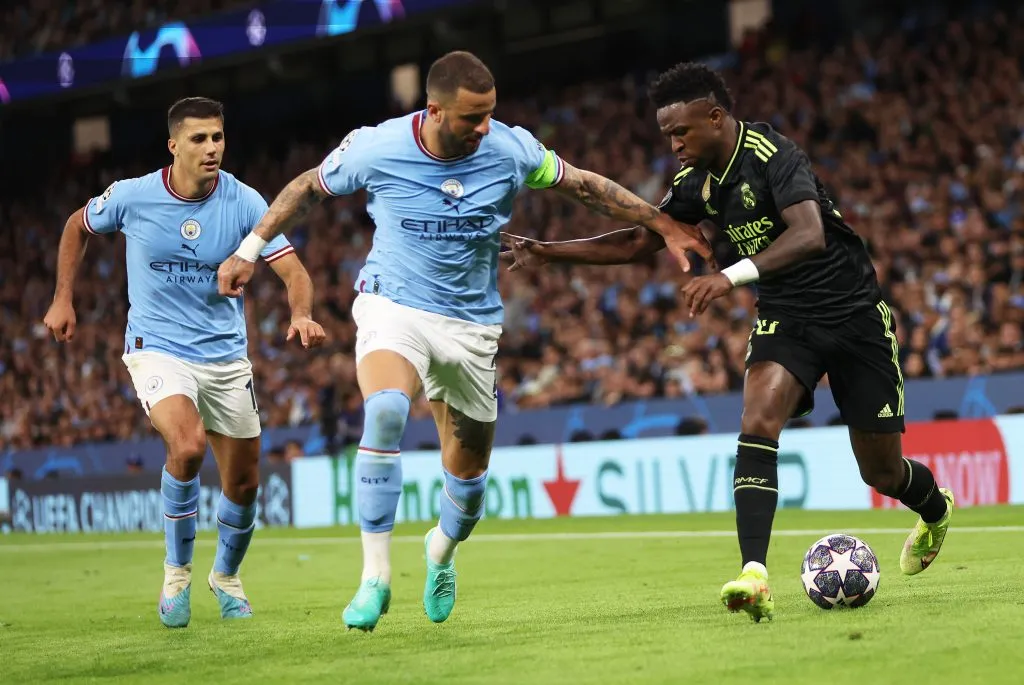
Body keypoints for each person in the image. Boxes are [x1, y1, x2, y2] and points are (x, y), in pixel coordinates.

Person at [217, 50, 712, 632]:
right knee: (384, 412)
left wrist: (663, 223)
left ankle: (440, 552)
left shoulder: (510, 148)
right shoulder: (377, 146)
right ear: (434, 110)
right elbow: (306, 188)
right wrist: (248, 249)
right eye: (472, 118)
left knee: (469, 485)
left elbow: (585, 187)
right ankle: (374, 578)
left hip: (472, 325)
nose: (484, 128)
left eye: (490, 115)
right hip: (392, 303)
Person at [500, 62, 954, 623]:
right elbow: (642, 241)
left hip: (855, 316)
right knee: (758, 421)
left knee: (880, 473)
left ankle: (935, 510)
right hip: (787, 317)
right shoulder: (696, 184)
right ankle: (754, 574)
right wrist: (549, 251)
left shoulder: (771, 154)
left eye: (682, 131)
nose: (674, 144)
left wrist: (729, 275)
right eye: (668, 134)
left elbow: (809, 235)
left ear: (716, 117)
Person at [43, 97, 326, 629]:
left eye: (218, 137)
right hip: (157, 346)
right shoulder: (132, 196)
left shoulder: (244, 201)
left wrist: (302, 314)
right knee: (189, 445)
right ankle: (177, 574)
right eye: (199, 139)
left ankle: (226, 577)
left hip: (224, 357)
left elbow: (295, 273)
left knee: (244, 485)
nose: (212, 148)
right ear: (173, 145)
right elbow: (75, 227)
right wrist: (63, 298)